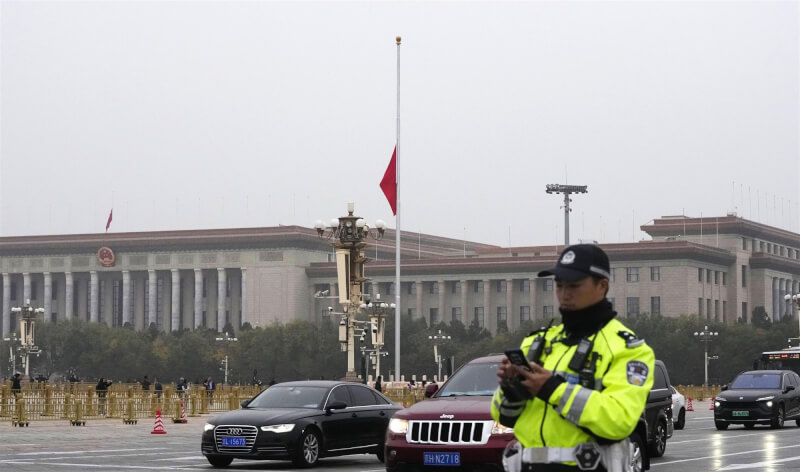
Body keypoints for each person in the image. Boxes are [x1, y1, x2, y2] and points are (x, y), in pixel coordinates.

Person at [492, 244, 655, 472]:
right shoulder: (538, 342)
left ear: (602, 286)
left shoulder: (628, 349)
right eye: (559, 285)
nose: (564, 294)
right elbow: (502, 416)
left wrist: (553, 389)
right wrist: (512, 389)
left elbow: (619, 421)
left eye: (574, 286)